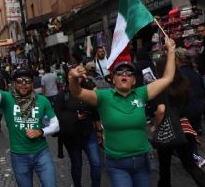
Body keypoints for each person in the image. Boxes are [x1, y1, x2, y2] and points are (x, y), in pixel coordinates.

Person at [68, 37, 176, 187]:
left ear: (133, 80)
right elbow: (77, 92)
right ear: (113, 79)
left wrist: (171, 51)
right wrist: (73, 78)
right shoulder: (103, 97)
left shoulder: (141, 93)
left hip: (142, 162)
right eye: (119, 72)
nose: (124, 75)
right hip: (117, 165)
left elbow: (168, 78)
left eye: (129, 73)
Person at [0, 53, 59, 187]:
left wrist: (41, 132)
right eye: (19, 81)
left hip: (42, 153)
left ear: (32, 84)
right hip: (19, 156)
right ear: (14, 84)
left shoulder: (43, 100)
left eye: (27, 81)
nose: (23, 84)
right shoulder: (7, 98)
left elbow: (56, 125)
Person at [152, 56, 205, 187]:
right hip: (184, 127)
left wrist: (155, 126)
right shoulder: (183, 83)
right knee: (190, 164)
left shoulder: (160, 86)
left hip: (167, 128)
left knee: (165, 169)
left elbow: (161, 110)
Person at [54, 67, 102, 187]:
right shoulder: (62, 95)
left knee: (96, 163)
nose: (75, 76)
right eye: (71, 75)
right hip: (71, 137)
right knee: (77, 164)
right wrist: (75, 116)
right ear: (67, 78)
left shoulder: (88, 92)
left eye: (78, 74)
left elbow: (95, 112)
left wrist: (99, 130)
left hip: (88, 134)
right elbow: (58, 115)